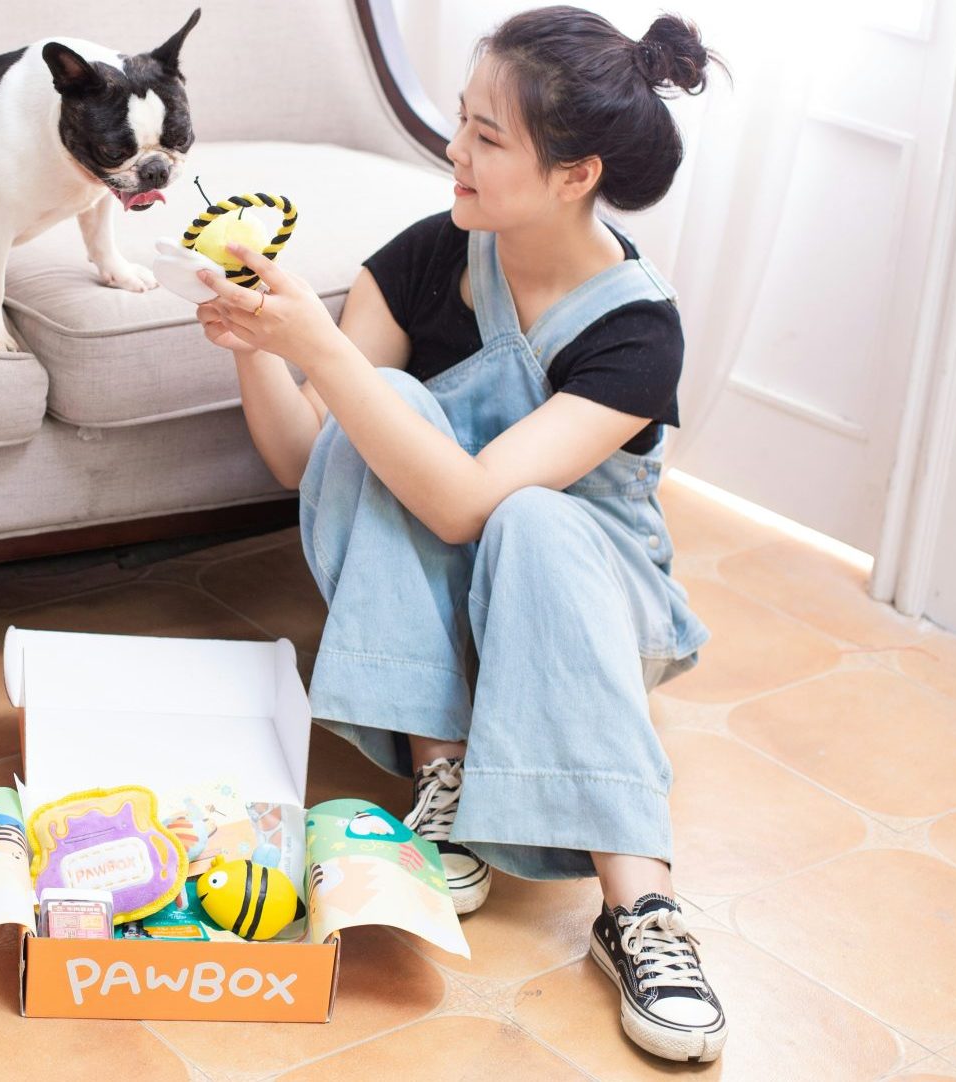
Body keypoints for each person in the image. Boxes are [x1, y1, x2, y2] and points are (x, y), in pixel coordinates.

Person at [195, 6, 727, 1063]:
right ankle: (444, 776)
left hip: (587, 599)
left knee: (526, 509)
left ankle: (643, 909)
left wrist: (330, 358)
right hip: (448, 608)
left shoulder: (634, 326)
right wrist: (255, 337)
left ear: (575, 174)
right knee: (379, 406)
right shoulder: (435, 255)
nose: (455, 152)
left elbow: (468, 505)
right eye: (461, 122)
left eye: (489, 137)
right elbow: (312, 459)